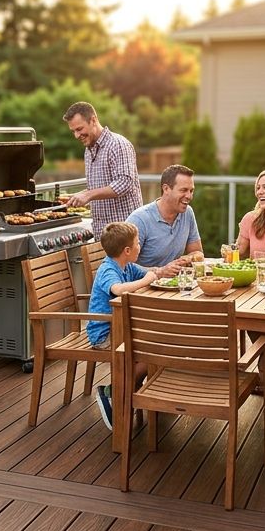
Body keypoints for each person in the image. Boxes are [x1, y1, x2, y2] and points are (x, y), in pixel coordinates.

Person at [86, 222, 157, 430]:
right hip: (105, 334)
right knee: (152, 351)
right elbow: (117, 290)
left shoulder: (126, 265)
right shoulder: (109, 268)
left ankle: (125, 394)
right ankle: (115, 392)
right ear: (127, 251)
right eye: (137, 244)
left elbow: (147, 273)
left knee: (158, 343)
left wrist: (153, 275)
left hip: (122, 329)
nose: (140, 247)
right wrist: (146, 281)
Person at [62, 101, 143, 239]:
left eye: (79, 129)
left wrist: (88, 195)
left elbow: (124, 183)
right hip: (102, 234)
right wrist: (78, 196)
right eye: (73, 131)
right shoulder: (88, 151)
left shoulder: (118, 144)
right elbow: (97, 188)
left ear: (93, 120)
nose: (76, 135)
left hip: (124, 233)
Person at [125, 164, 203, 275]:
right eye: (184, 190)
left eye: (191, 191)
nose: (189, 196)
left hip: (173, 286)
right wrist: (160, 272)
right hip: (141, 288)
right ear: (166, 189)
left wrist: (189, 258)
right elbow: (122, 265)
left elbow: (198, 252)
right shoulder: (139, 219)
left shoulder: (187, 213)